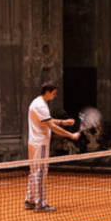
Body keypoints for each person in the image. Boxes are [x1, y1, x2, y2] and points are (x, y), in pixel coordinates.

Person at [24, 81, 80, 213]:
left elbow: (47, 120)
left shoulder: (36, 103)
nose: (54, 96)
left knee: (34, 172)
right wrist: (71, 135)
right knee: (41, 173)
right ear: (47, 92)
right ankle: (41, 204)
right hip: (41, 143)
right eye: (54, 94)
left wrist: (63, 122)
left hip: (34, 142)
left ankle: (30, 200)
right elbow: (52, 127)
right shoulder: (41, 106)